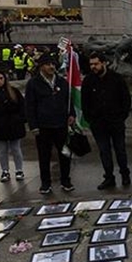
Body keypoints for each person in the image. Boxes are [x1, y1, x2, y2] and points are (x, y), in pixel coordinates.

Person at [24, 56, 75, 195]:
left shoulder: (62, 82)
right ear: (41, 66)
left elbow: (69, 100)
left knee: (65, 153)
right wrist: (33, 125)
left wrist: (72, 115)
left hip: (61, 124)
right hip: (43, 126)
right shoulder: (33, 84)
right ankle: (45, 183)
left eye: (53, 64)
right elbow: (29, 106)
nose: (52, 67)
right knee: (44, 156)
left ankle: (66, 180)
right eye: (48, 64)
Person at [81, 52, 132, 190]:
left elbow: (126, 100)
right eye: (91, 64)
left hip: (116, 122)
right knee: (104, 151)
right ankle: (109, 177)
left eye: (96, 64)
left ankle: (125, 175)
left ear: (104, 63)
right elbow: (85, 103)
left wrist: (122, 116)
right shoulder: (88, 81)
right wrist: (90, 119)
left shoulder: (117, 79)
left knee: (120, 150)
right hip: (98, 124)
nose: (93, 67)